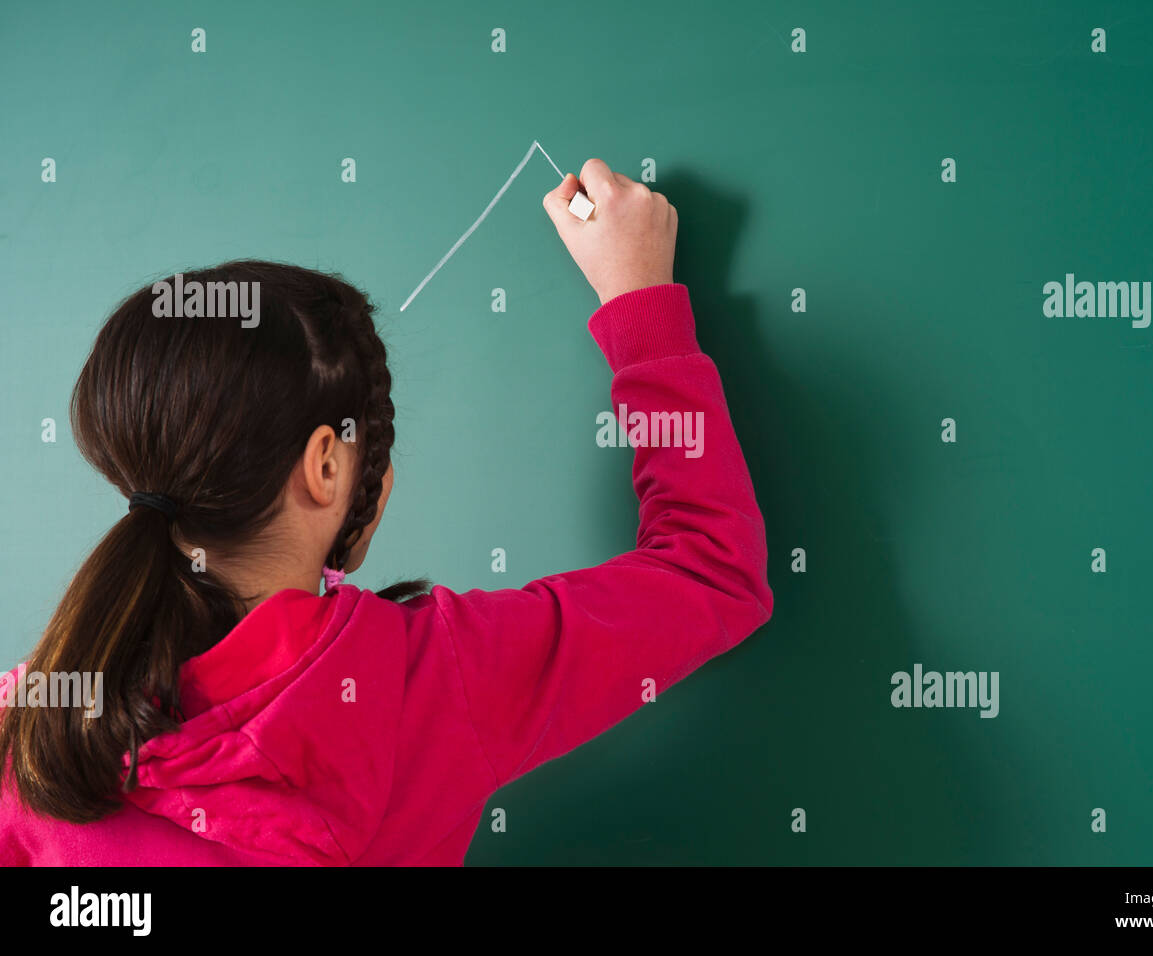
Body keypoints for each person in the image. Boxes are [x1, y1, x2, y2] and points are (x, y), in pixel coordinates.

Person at [0, 159, 773, 865]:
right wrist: (642, 312)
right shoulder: (435, 680)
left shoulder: (29, 724)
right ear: (326, 468)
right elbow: (709, 568)